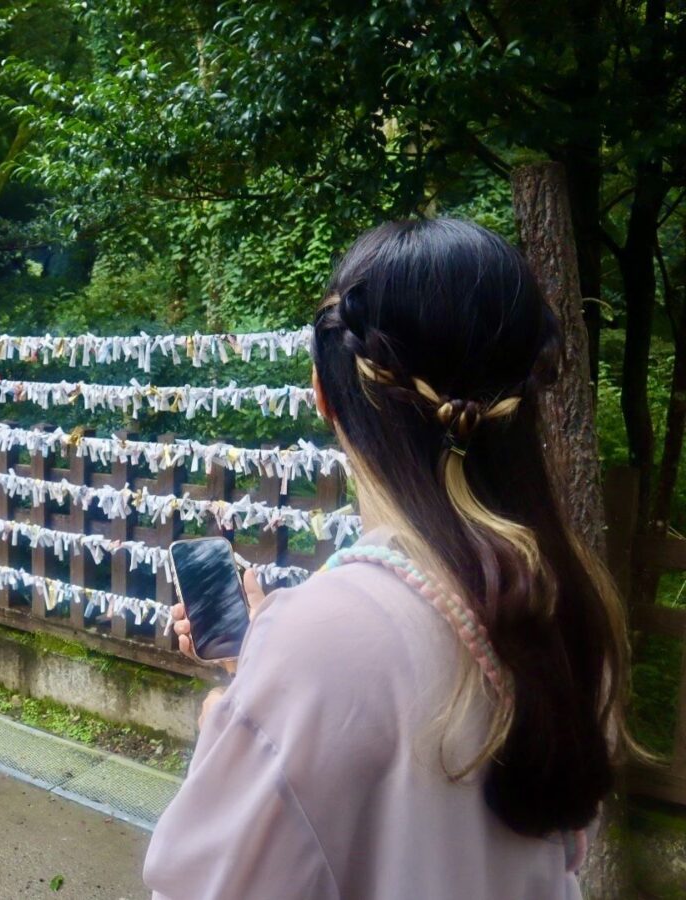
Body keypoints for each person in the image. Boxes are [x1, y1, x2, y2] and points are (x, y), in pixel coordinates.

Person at [144, 218, 634, 899]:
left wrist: (228, 718)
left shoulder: (324, 639)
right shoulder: (567, 601)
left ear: (325, 393)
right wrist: (264, 666)